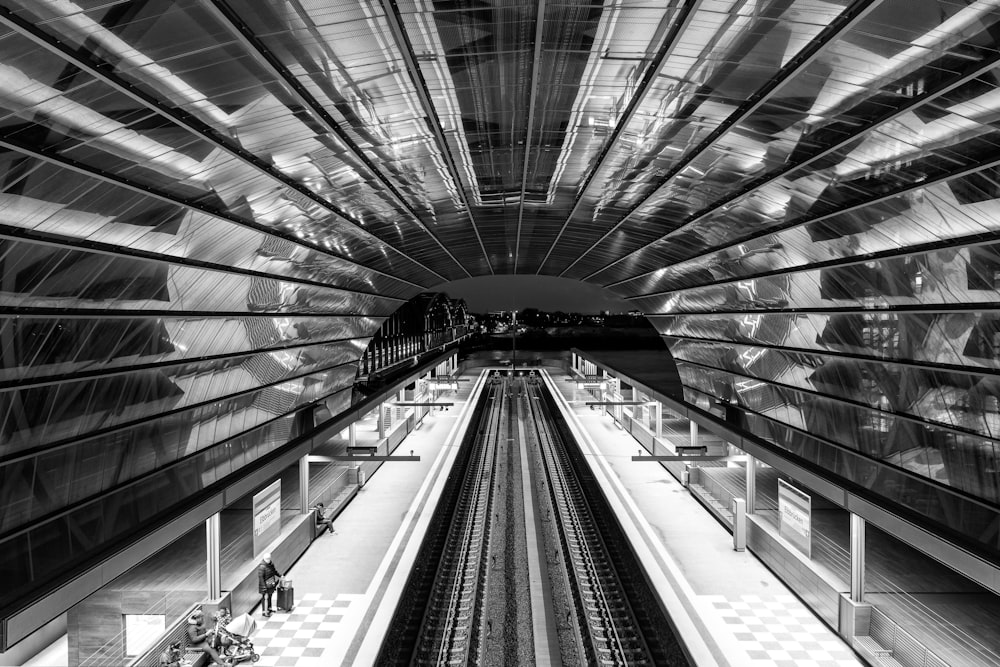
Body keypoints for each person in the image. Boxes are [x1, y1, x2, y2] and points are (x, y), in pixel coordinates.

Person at [257, 553, 281, 617]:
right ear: (264, 559)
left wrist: (280, 575)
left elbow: (274, 571)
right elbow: (261, 577)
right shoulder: (262, 567)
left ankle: (269, 609)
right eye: (267, 559)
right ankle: (264, 612)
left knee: (270, 596)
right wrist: (264, 587)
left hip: (270, 583)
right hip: (265, 585)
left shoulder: (271, 564)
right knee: (265, 598)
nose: (268, 560)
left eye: (269, 558)